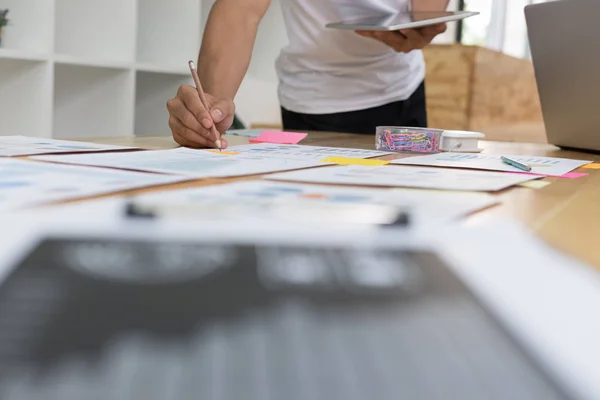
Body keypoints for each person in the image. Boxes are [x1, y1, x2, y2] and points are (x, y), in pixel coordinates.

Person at [167, 0, 449, 149]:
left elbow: (426, 12)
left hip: (401, 90)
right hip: (312, 99)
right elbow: (241, 9)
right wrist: (211, 111)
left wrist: (422, 28)